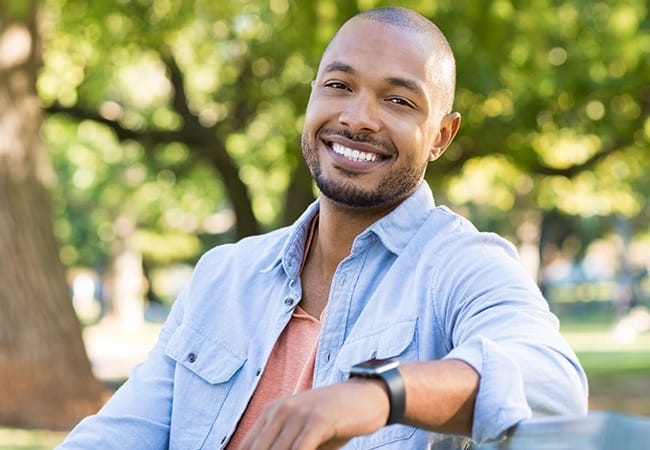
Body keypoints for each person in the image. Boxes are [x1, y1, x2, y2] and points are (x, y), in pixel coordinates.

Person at [58, 6, 588, 450]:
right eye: (339, 85)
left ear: (441, 137)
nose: (358, 118)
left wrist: (379, 395)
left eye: (399, 100)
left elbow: (553, 387)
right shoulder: (224, 274)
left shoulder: (461, 266)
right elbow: (118, 435)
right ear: (311, 98)